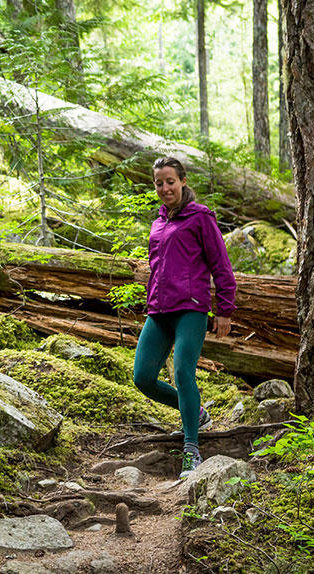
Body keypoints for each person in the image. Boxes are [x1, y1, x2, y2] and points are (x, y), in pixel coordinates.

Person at [132, 156, 236, 478]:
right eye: (159, 183)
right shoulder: (158, 223)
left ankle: (192, 449)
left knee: (183, 373)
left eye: (170, 182)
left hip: (191, 309)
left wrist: (224, 309)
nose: (165, 188)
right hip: (159, 310)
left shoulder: (200, 217)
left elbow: (221, 264)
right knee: (143, 378)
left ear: (183, 182)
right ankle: (196, 412)